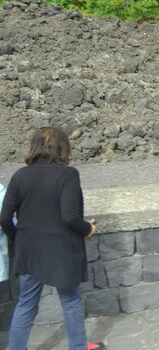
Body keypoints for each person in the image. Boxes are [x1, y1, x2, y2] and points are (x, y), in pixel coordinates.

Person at [0, 127, 105, 350]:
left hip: (29, 250)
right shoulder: (67, 174)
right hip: (61, 251)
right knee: (70, 301)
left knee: (26, 304)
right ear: (62, 146)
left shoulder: (20, 175)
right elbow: (70, 217)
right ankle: (78, 347)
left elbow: (4, 217)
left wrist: (17, 239)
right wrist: (87, 228)